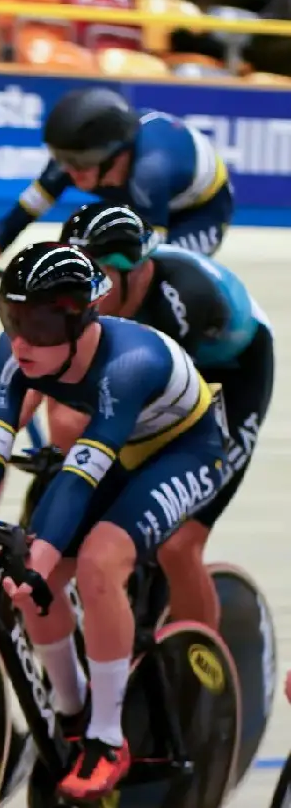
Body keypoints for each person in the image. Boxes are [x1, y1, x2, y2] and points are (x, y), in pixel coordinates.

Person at [0, 242, 229, 804]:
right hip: (117, 455)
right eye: (12, 318)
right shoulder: (15, 354)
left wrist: (40, 558)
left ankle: (106, 738)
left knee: (96, 563)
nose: (22, 340)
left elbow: (77, 480)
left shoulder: (128, 362)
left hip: (183, 452)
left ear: (81, 319)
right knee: (29, 586)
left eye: (40, 324)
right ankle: (71, 717)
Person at [58, 200, 272, 628]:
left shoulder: (177, 306)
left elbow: (169, 411)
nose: (82, 295)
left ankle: (198, 681)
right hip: (163, 368)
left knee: (177, 542)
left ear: (132, 271)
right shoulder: (105, 293)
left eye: (93, 280)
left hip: (229, 378)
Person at [0, 87, 232, 307]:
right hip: (139, 200)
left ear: (116, 156)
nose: (71, 174)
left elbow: (148, 265)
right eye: (65, 162)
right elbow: (12, 223)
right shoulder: (71, 161)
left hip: (198, 213)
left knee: (156, 288)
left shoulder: (151, 174)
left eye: (81, 165)